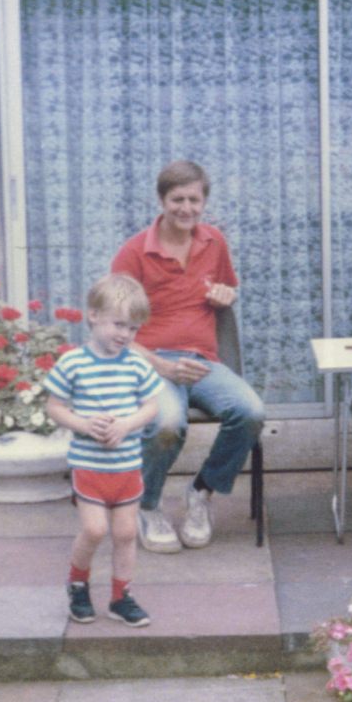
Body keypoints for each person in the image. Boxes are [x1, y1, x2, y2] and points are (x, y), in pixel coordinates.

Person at [111, 160, 265, 553]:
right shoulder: (133, 253)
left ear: (204, 202)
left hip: (203, 361)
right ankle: (147, 506)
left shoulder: (213, 241)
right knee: (167, 423)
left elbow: (227, 288)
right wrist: (161, 365)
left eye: (194, 199)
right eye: (177, 199)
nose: (186, 208)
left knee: (250, 412)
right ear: (162, 201)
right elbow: (114, 331)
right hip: (152, 364)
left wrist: (226, 295)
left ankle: (201, 491)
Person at [44, 273, 162, 626]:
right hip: (89, 465)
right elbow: (54, 407)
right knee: (95, 530)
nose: (125, 335)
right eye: (119, 324)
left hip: (126, 465)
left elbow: (152, 406)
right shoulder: (72, 363)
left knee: (126, 533)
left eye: (134, 329)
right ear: (93, 315)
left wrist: (127, 424)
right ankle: (77, 584)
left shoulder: (137, 364)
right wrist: (83, 424)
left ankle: (120, 597)